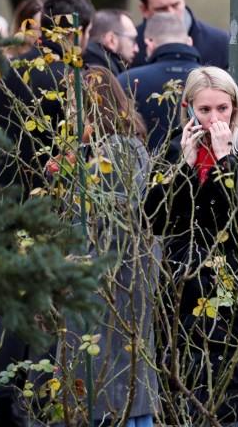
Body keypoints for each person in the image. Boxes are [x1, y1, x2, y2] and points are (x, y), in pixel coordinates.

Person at [0, 0, 95, 427]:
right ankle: (35, 402)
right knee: (43, 310)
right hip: (50, 206)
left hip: (7, 203)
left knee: (14, 306)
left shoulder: (10, 72)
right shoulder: (71, 78)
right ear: (79, 31)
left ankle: (2, 402)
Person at [143, 67, 238, 427]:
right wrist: (185, 167)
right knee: (187, 393)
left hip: (234, 278)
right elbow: (153, 218)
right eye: (204, 110)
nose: (215, 118)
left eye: (222, 108)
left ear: (235, 105)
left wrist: (225, 162)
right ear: (189, 108)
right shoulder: (175, 145)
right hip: (183, 281)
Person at [62, 66, 159, 427]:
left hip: (114, 279)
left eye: (74, 105)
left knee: (113, 379)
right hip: (121, 276)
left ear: (92, 106)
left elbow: (116, 214)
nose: (69, 114)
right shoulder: (118, 145)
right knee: (123, 380)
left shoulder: (114, 149)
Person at [116, 13, 202, 152]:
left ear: (149, 43)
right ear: (189, 41)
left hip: (143, 170)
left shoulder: (127, 81)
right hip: (207, 171)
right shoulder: (212, 80)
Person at [129, 0, 230, 70]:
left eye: (175, 5)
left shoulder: (220, 43)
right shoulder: (130, 45)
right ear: (144, 10)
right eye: (162, 9)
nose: (171, 13)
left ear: (184, 0)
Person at [84, 9, 140, 76]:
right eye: (132, 39)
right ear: (111, 40)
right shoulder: (105, 76)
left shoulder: (83, 63)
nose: (136, 49)